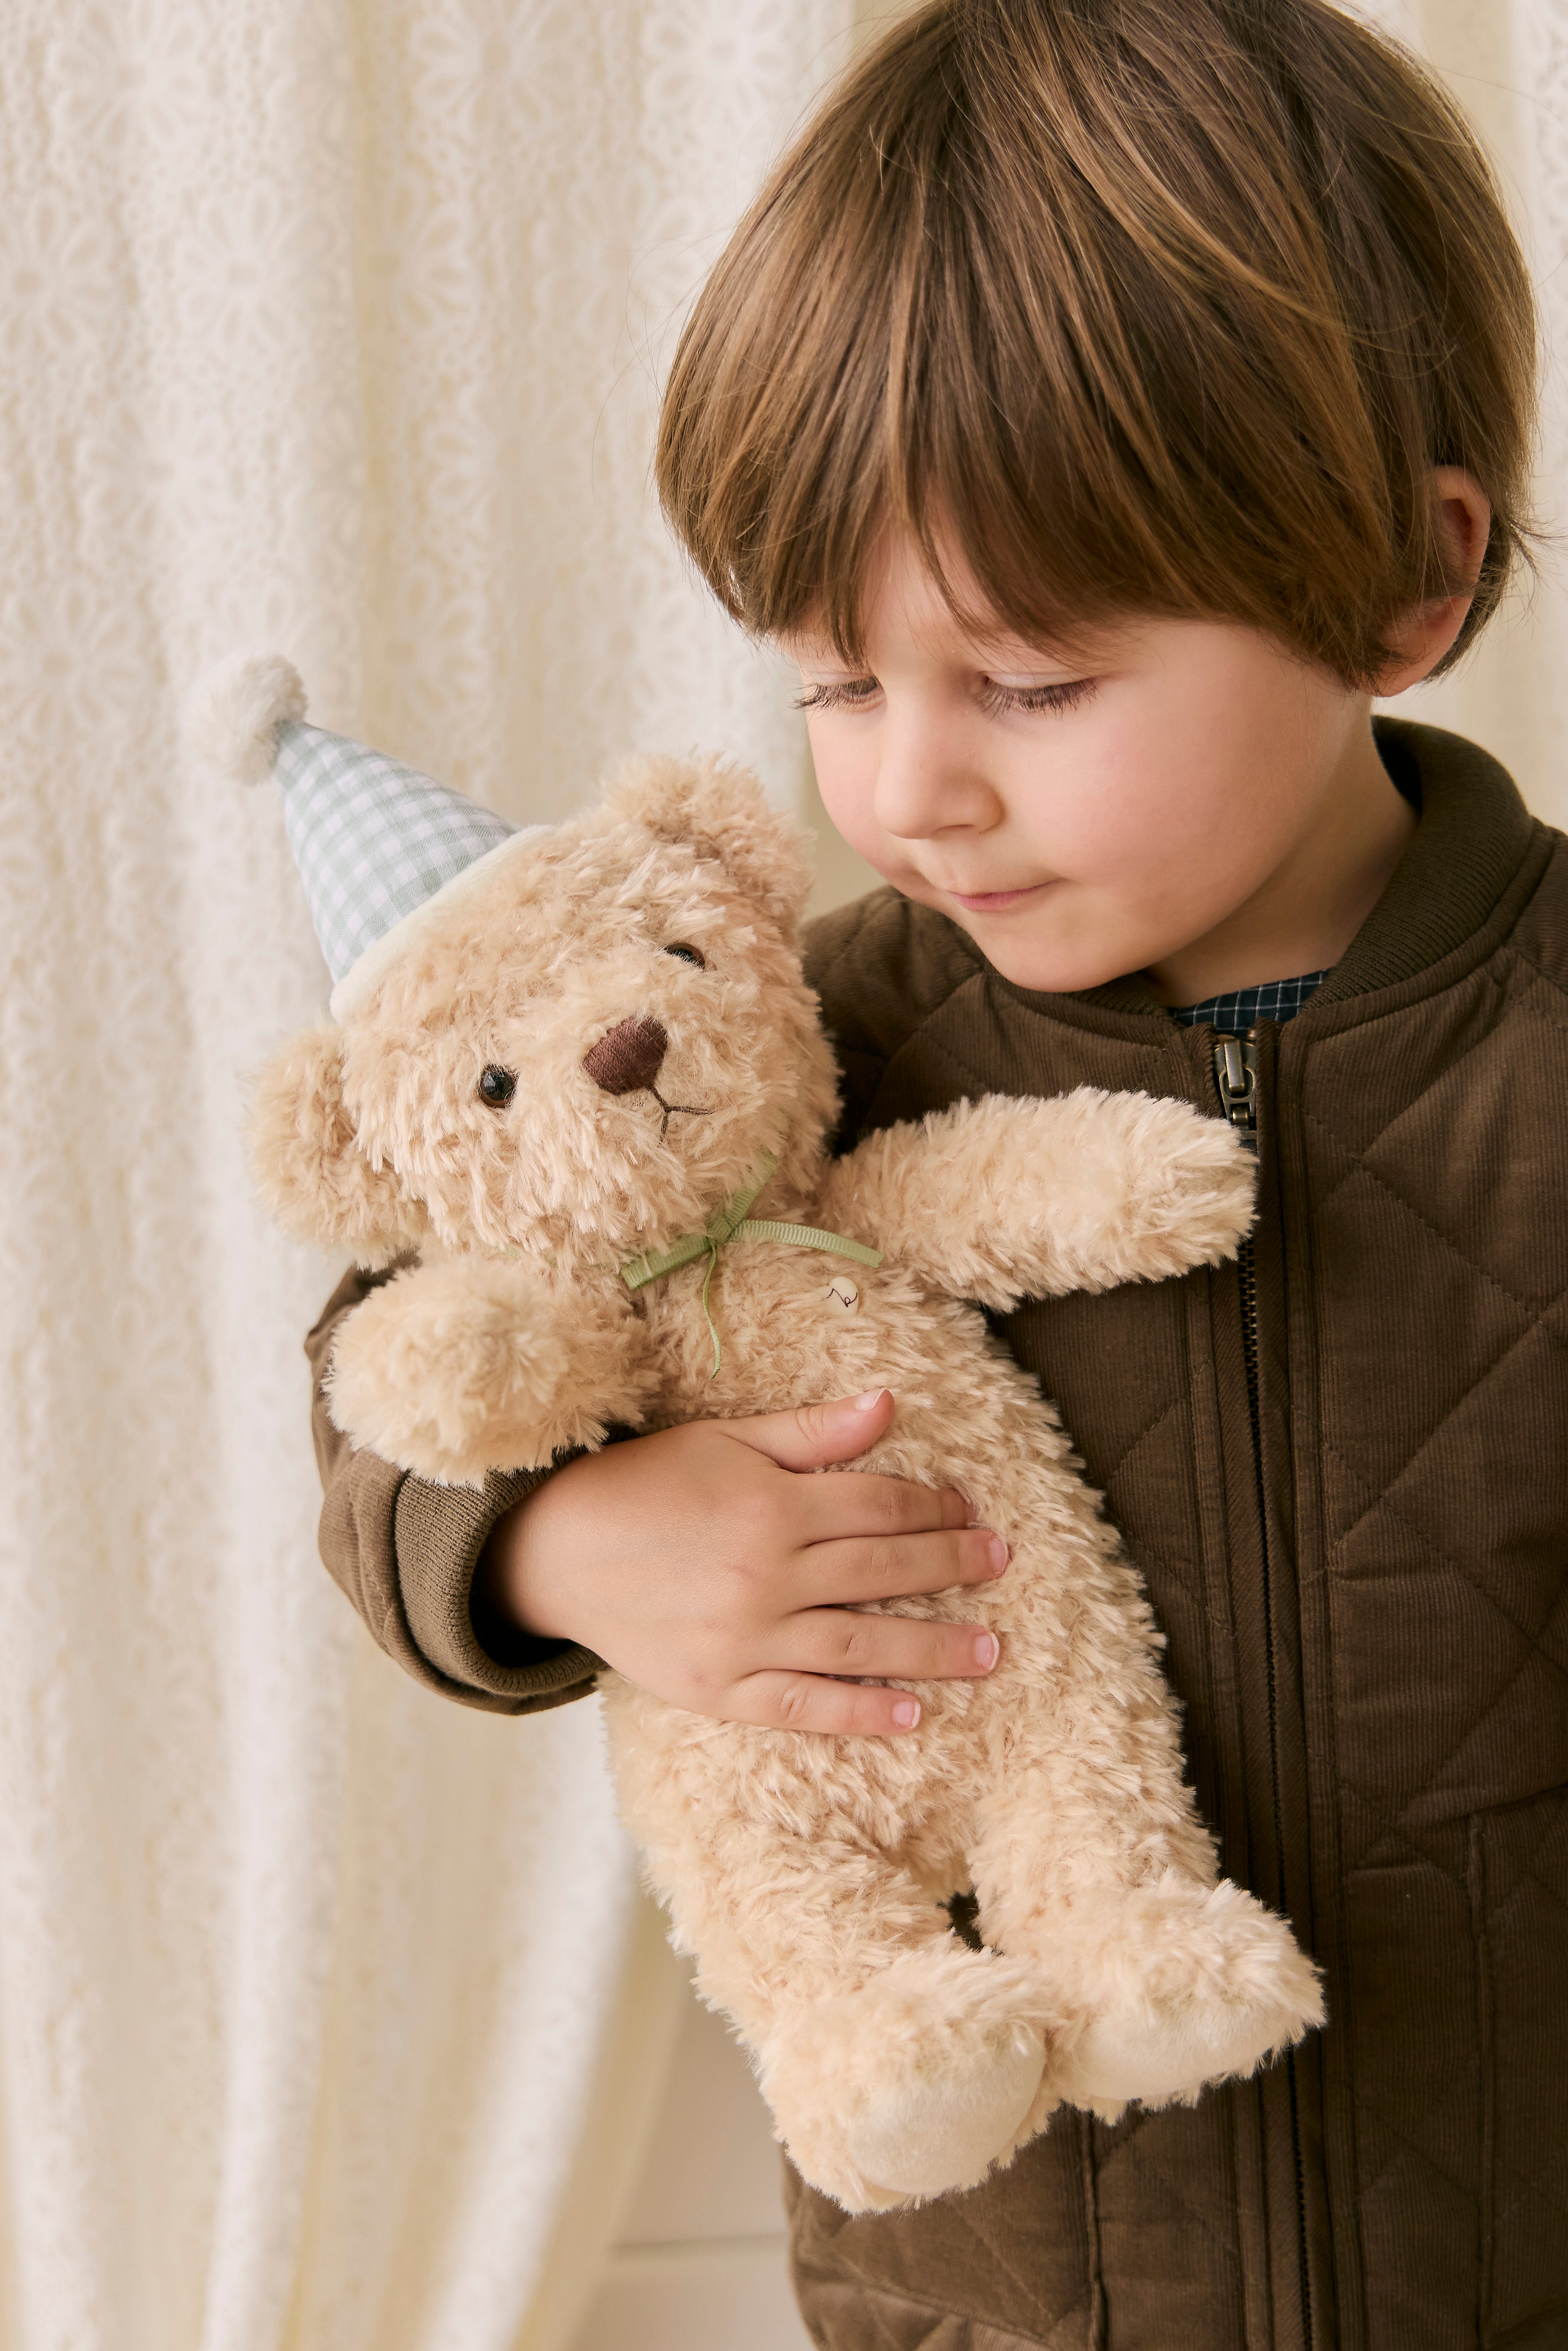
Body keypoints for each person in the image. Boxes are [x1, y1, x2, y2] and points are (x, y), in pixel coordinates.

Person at [305, 2, 1568, 2342]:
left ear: (1407, 583)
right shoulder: (794, 1048)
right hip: (994, 2290)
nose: (906, 792)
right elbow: (381, 1369)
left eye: (1030, 681)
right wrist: (563, 1537)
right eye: (831, 679)